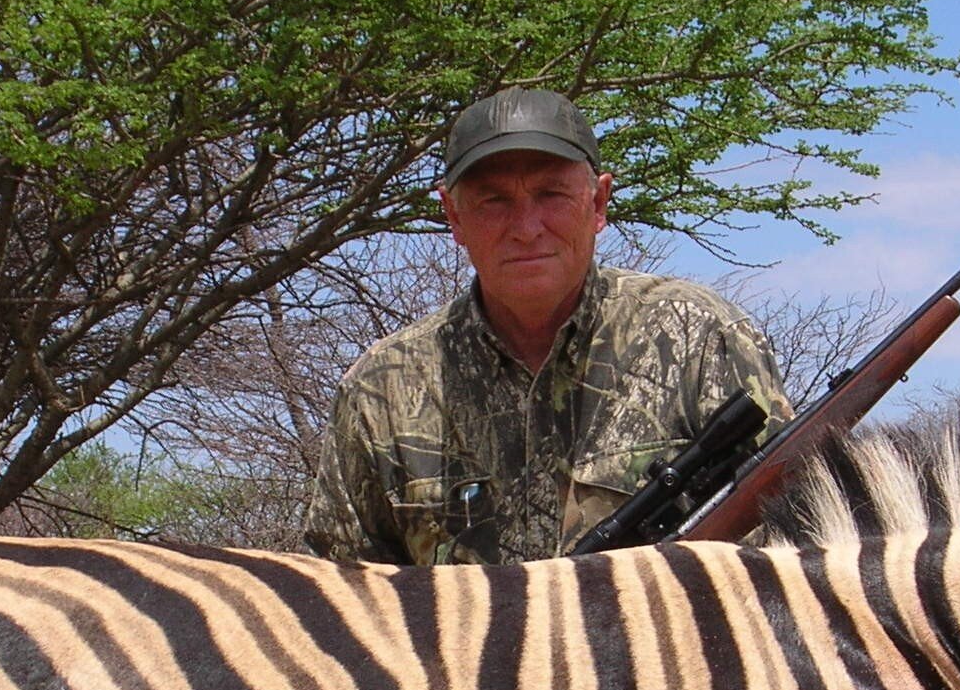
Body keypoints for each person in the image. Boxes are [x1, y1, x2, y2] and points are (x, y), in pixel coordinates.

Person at [304, 88, 791, 565]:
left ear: (598, 202)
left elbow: (792, 548)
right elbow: (346, 597)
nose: (526, 226)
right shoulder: (380, 389)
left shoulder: (701, 339)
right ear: (453, 215)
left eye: (551, 194)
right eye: (493, 201)